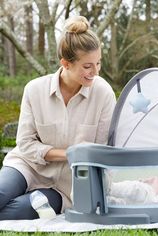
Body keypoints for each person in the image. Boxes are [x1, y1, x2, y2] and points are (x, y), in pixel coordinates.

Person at [0, 15, 116, 220]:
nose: (95, 72)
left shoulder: (103, 93)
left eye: (98, 63)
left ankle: (30, 199)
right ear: (66, 63)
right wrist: (69, 154)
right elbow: (25, 144)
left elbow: (102, 152)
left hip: (67, 185)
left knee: (15, 211)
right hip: (27, 166)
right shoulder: (34, 90)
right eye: (87, 66)